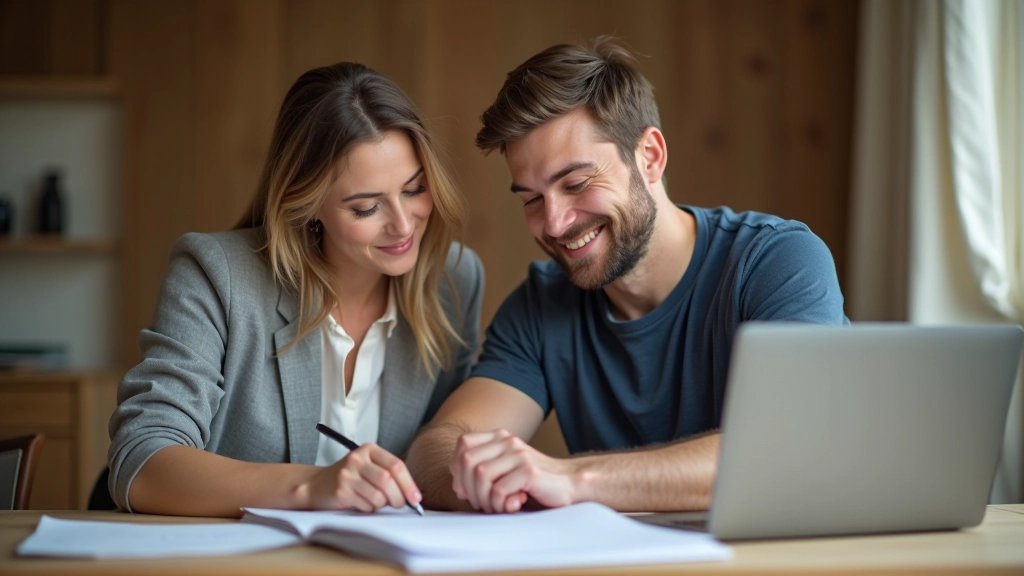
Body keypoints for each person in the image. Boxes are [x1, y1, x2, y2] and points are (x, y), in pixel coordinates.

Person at [405, 38, 847, 514]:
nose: (554, 223)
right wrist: (494, 481)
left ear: (651, 156)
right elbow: (437, 449)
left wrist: (573, 479)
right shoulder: (541, 304)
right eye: (531, 199)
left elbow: (788, 449)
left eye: (576, 184)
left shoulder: (776, 261)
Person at [107, 62, 483, 517]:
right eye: (366, 207)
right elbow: (141, 461)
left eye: (415, 189)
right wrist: (312, 486)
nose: (403, 225)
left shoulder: (455, 283)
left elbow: (448, 450)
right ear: (308, 206)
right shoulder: (216, 274)